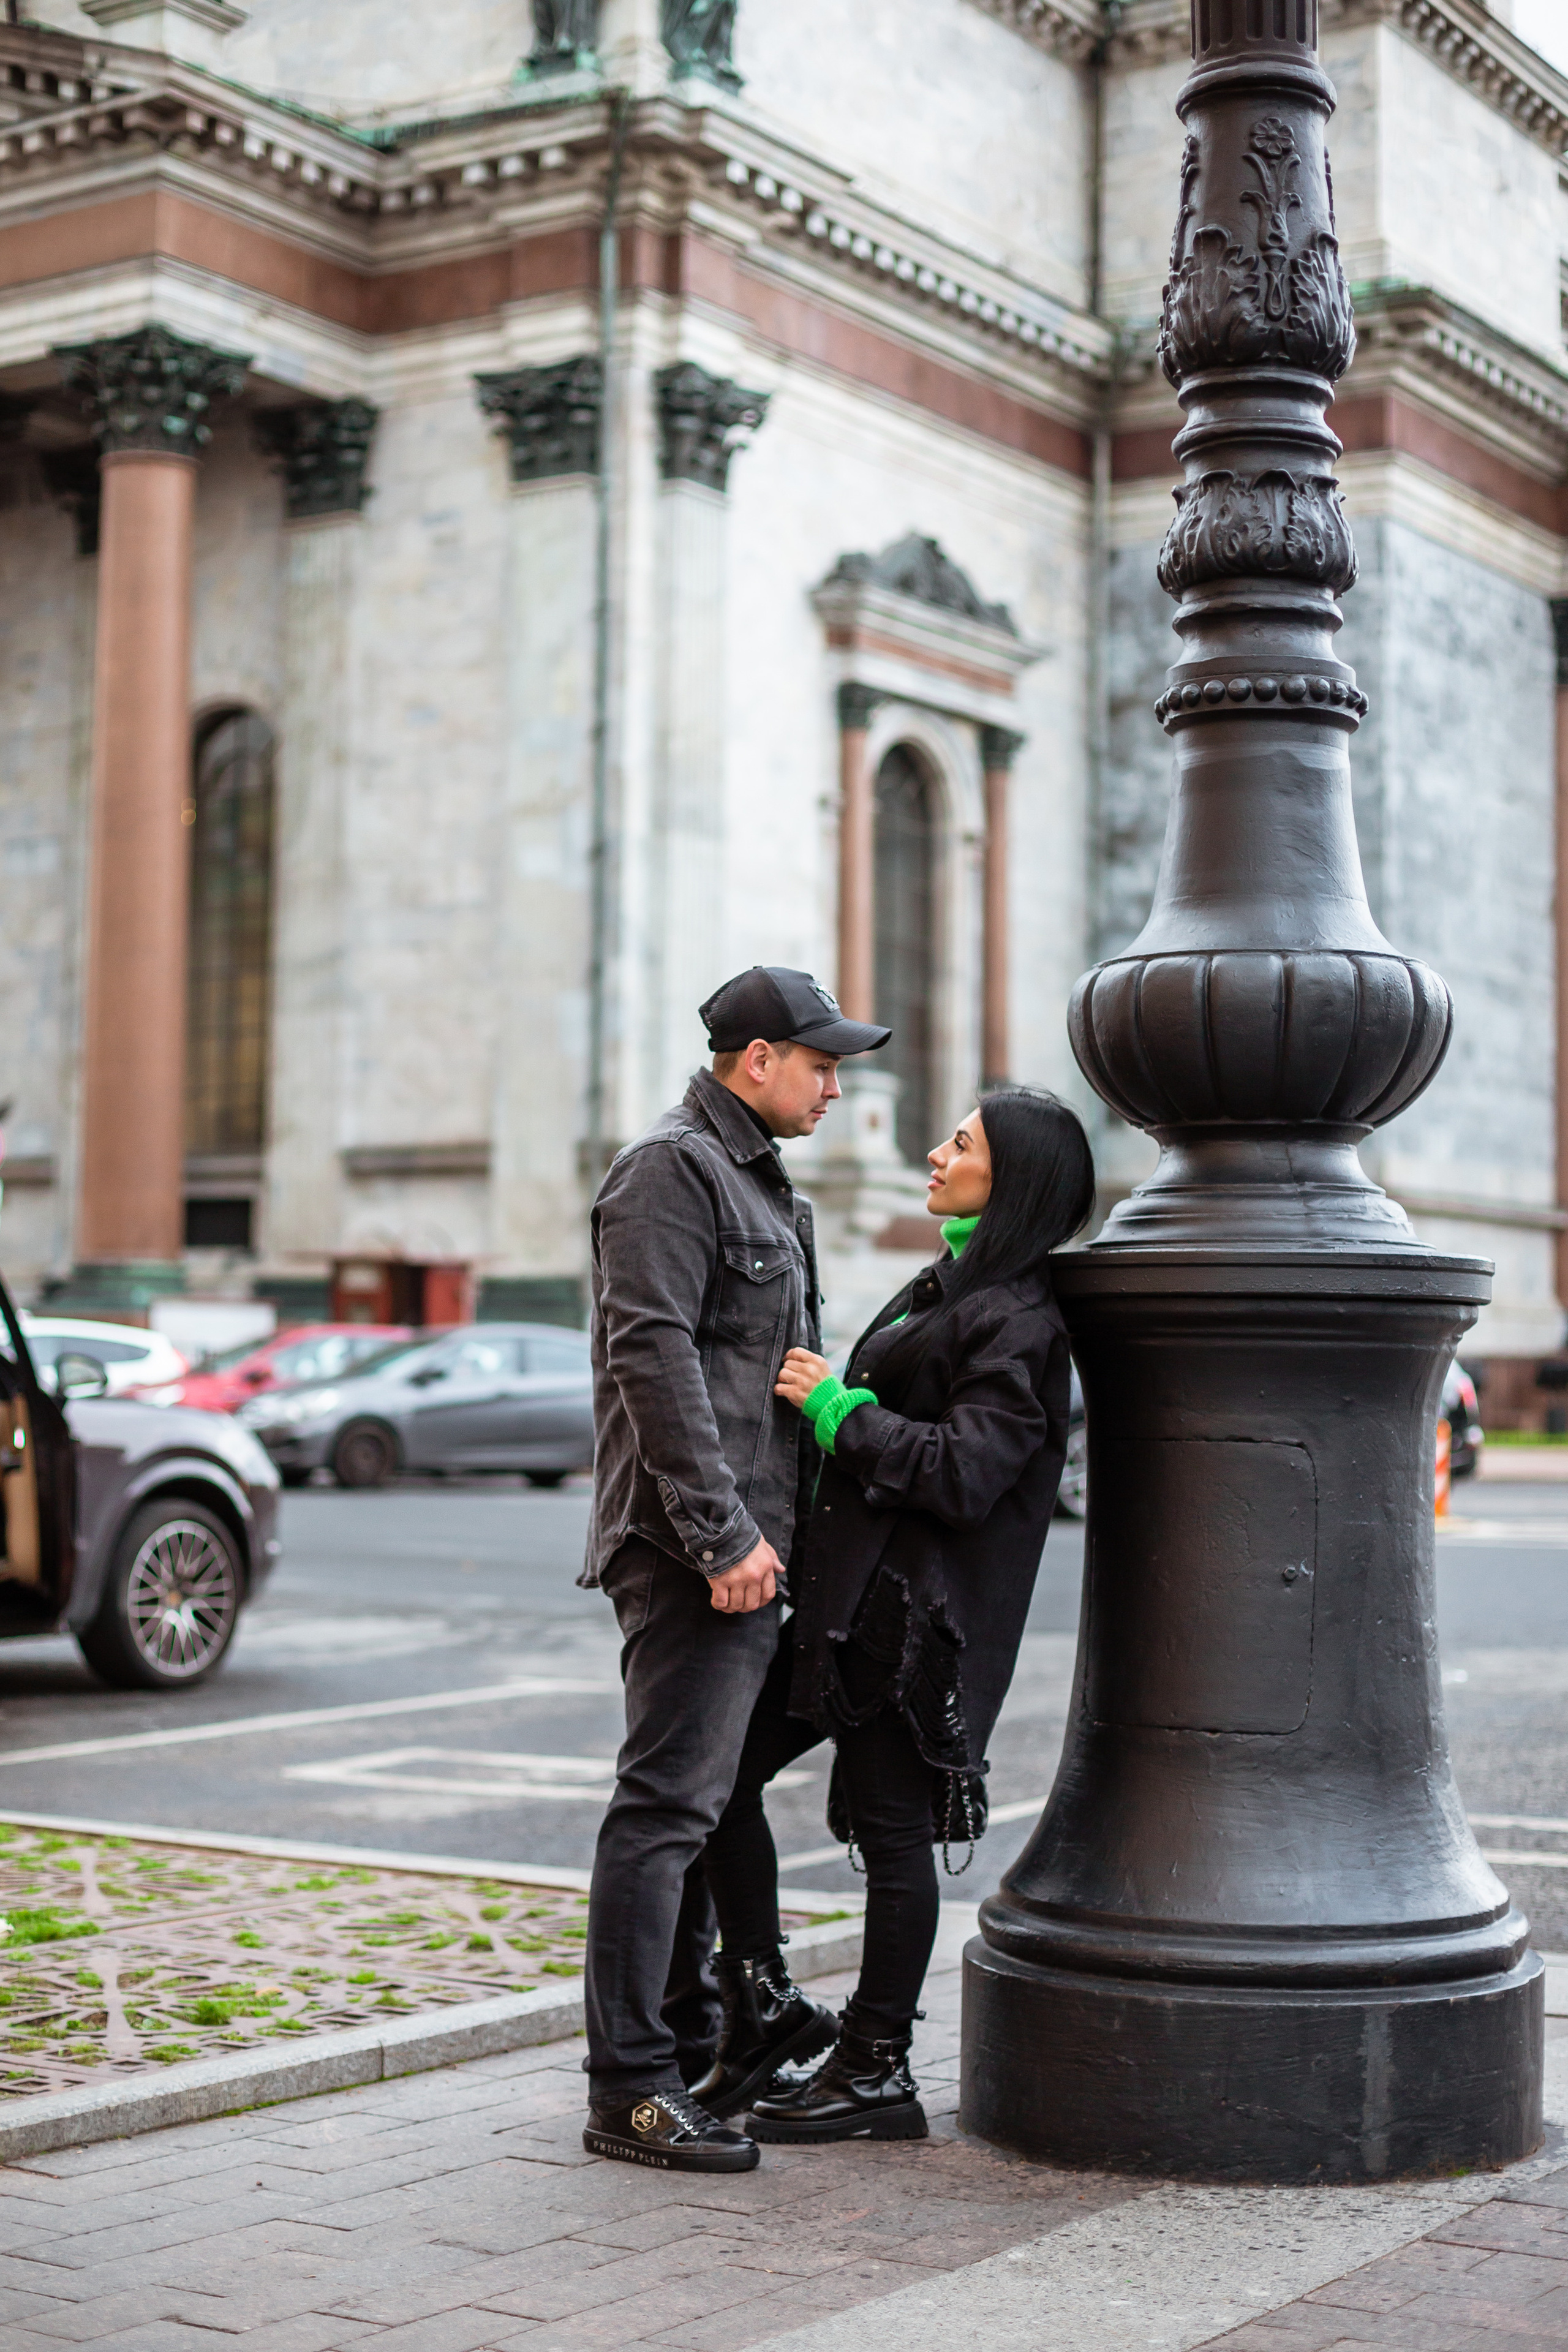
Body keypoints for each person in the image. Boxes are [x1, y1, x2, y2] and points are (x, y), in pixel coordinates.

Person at [698, 1089, 1095, 2142]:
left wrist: (842, 1412)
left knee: (892, 1834)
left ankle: (876, 2065)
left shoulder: (1018, 1316)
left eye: (960, 1143)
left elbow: (968, 1473)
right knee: (719, 1773)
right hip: (850, 1609)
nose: (933, 1151)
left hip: (912, 1629)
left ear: (1011, 1182)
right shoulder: (954, 1285)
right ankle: (765, 2005)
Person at [579, 966, 891, 2173]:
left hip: (757, 1552)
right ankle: (628, 2091)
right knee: (661, 1811)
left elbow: (771, 1382)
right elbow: (646, 1360)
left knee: (701, 1806)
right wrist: (720, 1539)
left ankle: (706, 2038)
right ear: (752, 1058)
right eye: (818, 1064)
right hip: (692, 1553)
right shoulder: (669, 1169)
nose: (832, 1087)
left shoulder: (766, 1188)